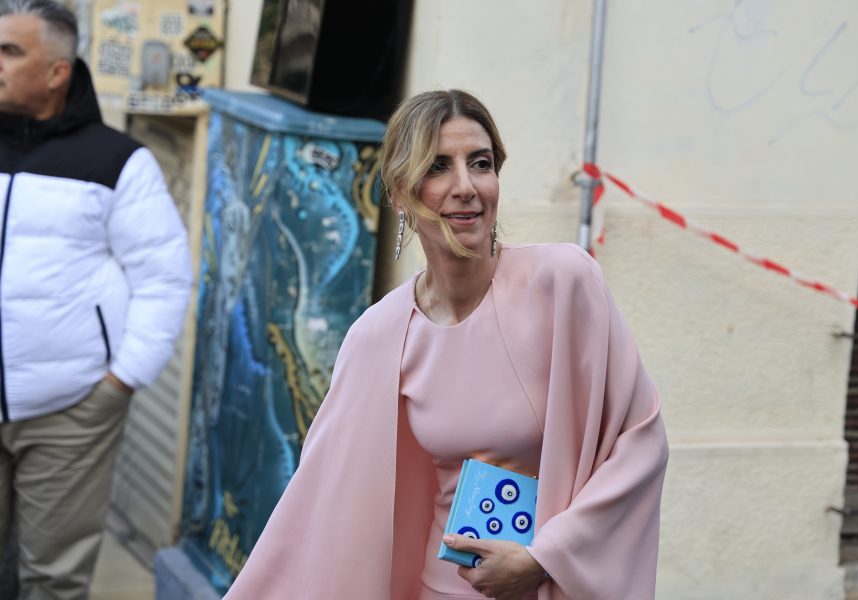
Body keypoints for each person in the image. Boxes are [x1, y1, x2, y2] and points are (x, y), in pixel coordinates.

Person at [225, 90, 668, 600]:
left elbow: (641, 442)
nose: (466, 187)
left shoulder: (564, 284)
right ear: (399, 193)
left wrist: (545, 557)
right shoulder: (380, 336)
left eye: (481, 164)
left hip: (552, 584)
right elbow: (320, 503)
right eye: (438, 167)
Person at [0, 1, 192, 597]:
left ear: (57, 72)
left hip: (69, 411)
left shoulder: (117, 161)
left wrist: (120, 381)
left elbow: (165, 278)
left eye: (10, 51)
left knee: (52, 579)